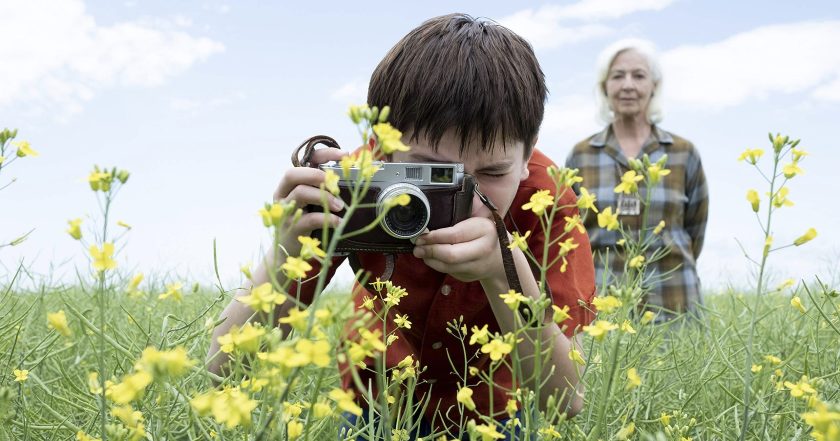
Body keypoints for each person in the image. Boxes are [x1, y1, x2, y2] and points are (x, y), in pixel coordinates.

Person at [208, 14, 596, 438]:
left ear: (527, 157)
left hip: (495, 410)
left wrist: (504, 271)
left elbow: (565, 400)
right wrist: (287, 250)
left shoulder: (548, 197)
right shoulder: (353, 187)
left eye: (492, 173)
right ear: (380, 150)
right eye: (430, 173)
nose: (463, 197)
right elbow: (223, 368)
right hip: (376, 402)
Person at [565, 39, 708, 318]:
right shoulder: (581, 156)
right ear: (605, 87)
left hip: (674, 301)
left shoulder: (682, 153)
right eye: (618, 76)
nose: (628, 85)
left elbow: (695, 232)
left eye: (639, 76)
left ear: (654, 85)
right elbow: (571, 229)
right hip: (603, 305)